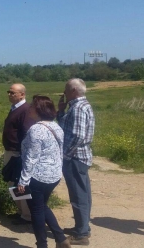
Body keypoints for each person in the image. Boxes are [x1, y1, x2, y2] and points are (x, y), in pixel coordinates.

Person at [18, 95, 71, 248]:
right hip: (53, 175)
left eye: (32, 107)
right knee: (41, 206)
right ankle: (61, 239)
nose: (30, 109)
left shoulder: (36, 129)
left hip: (37, 177)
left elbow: (31, 157)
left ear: (38, 110)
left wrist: (23, 180)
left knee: (36, 211)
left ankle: (42, 244)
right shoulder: (56, 126)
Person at [57, 78, 95, 245]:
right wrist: (60, 111)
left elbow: (77, 136)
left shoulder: (78, 108)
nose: (64, 93)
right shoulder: (79, 106)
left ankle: (81, 233)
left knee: (78, 195)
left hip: (75, 157)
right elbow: (66, 127)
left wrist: (64, 155)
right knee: (83, 193)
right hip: (80, 156)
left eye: (66, 89)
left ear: (73, 91)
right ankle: (82, 227)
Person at [3, 83, 36, 224]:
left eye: (13, 93)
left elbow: (26, 133)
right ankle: (21, 212)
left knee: (19, 183)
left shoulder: (25, 110)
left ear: (22, 94)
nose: (10, 95)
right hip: (11, 151)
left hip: (17, 153)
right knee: (12, 183)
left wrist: (21, 154)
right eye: (9, 92)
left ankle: (27, 216)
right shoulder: (15, 109)